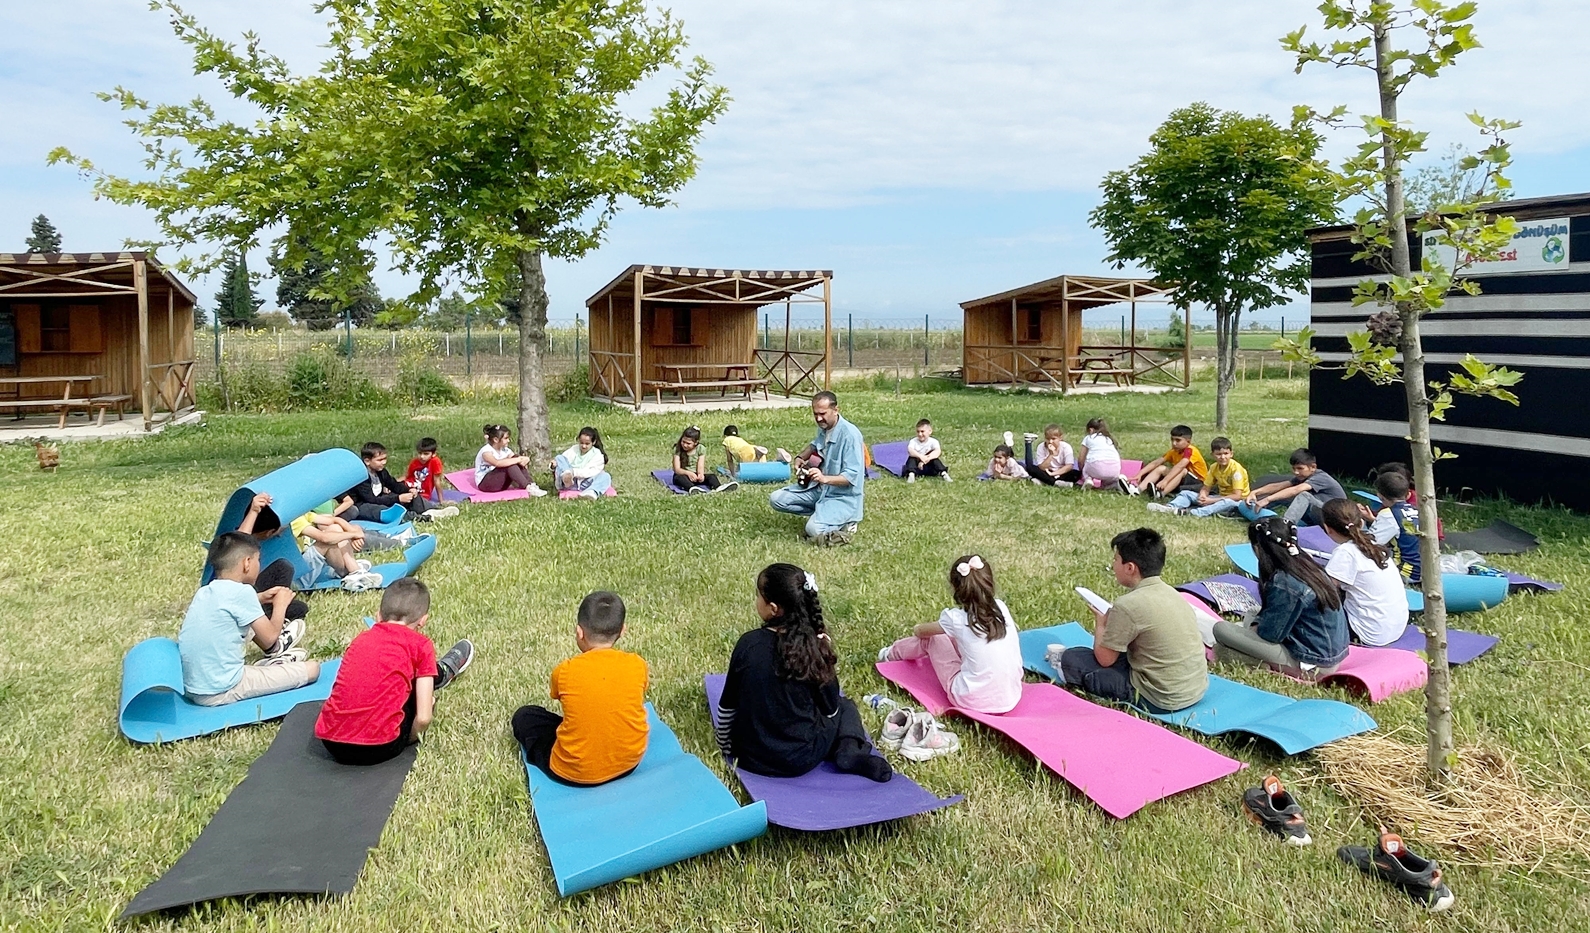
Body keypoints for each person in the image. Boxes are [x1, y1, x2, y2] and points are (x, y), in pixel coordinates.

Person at [714, 564, 898, 779]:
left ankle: (845, 750)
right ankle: (849, 749)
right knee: (845, 706)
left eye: (758, 595)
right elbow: (831, 709)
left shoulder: (748, 643)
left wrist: (725, 746)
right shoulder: (812, 650)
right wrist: (825, 657)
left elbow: (728, 705)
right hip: (802, 758)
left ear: (773, 608)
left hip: (750, 757)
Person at [314, 579, 475, 765]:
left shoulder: (360, 639)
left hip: (331, 743)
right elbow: (423, 718)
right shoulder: (421, 645)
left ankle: (434, 673)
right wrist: (408, 739)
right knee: (425, 699)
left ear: (378, 615)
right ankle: (438, 674)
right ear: (423, 620)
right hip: (380, 747)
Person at [1057, 528, 1208, 711]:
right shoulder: (1173, 594)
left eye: (1116, 559)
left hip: (1160, 698)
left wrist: (1101, 624)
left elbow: (1105, 660)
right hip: (1195, 689)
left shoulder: (1127, 605)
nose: (1113, 565)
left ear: (1130, 568)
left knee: (1073, 659)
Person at [512, 592, 649, 786]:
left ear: (579, 632)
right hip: (630, 763)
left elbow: (557, 695)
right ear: (623, 630)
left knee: (525, 716)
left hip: (573, 772)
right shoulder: (637, 664)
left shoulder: (565, 671)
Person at [178, 532, 320, 707]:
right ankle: (277, 656)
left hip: (193, 688)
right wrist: (280, 605)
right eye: (258, 560)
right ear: (246, 563)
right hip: (222, 689)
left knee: (245, 620)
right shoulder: (243, 592)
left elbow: (230, 606)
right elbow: (269, 637)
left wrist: (259, 598)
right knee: (312, 669)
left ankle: (274, 660)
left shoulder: (205, 591)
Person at [877, 554, 1022, 714]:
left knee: (934, 638)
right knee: (957, 638)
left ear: (955, 588)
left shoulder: (955, 619)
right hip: (1011, 695)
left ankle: (889, 655)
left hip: (971, 700)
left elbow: (921, 632)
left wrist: (917, 627)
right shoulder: (1001, 608)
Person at [1213, 517, 1349, 678]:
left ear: (1258, 548)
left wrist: (1255, 631)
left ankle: (1256, 663)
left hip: (1313, 665)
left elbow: (1270, 635)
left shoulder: (1285, 582)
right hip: (1328, 655)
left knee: (1221, 630)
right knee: (1252, 612)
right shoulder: (1309, 565)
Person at [769, 392, 867, 546]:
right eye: (815, 414)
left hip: (842, 497)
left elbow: (851, 477)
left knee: (813, 530)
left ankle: (847, 522)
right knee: (776, 499)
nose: (819, 418)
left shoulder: (851, 436)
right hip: (819, 490)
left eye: (823, 414)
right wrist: (800, 457)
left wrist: (824, 478)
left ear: (836, 410)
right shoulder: (825, 427)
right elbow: (815, 445)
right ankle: (823, 514)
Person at [1320, 498, 1410, 646]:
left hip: (1369, 633)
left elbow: (1323, 590)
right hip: (1396, 627)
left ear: (1327, 528)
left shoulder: (1346, 552)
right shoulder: (1373, 545)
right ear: (1361, 522)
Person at [1147, 436, 1250, 517]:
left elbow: (1237, 496)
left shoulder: (1236, 470)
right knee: (1186, 493)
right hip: (1220, 496)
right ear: (1212, 455)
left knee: (1226, 502)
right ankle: (1169, 507)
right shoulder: (1214, 467)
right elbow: (1206, 487)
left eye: (1226, 454)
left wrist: (1210, 501)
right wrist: (1203, 496)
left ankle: (1192, 513)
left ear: (1231, 454)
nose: (1222, 457)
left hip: (1238, 502)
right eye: (1219, 454)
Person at [1246, 448, 1346, 527]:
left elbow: (1296, 490)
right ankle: (1256, 509)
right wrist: (1255, 492)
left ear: (1313, 467)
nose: (1296, 472)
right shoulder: (1303, 476)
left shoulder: (1321, 477)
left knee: (1303, 495)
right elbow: (1279, 486)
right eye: (1294, 468)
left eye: (1300, 468)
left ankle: (1286, 527)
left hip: (1334, 518)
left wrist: (1267, 499)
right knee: (1284, 494)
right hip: (1319, 515)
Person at [1124, 425, 1207, 499]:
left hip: (1199, 483)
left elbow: (1180, 466)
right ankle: (1137, 490)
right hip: (1182, 480)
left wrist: (1165, 481)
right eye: (1172, 440)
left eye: (1178, 440)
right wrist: (1140, 474)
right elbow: (1156, 462)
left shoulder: (1190, 450)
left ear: (1188, 441)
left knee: (1183, 470)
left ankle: (1160, 494)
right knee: (1161, 468)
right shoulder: (1173, 451)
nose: (1174, 443)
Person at [1368, 470, 1422, 583]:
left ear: (1380, 496)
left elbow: (1369, 544)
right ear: (1408, 494)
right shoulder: (1418, 511)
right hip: (1425, 572)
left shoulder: (1388, 514)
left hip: (1405, 574)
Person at [475, 424, 548, 496]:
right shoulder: (486, 451)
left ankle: (531, 484)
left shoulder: (505, 450)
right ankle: (527, 487)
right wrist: (518, 459)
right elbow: (497, 463)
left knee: (514, 458)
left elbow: (516, 459)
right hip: (486, 484)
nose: (508, 440)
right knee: (510, 464)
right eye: (506, 438)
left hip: (500, 483)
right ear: (496, 440)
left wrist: (524, 459)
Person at [672, 425, 736, 494]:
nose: (684, 445)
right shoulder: (678, 449)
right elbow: (677, 469)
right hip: (683, 474)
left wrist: (700, 474)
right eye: (683, 442)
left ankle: (718, 487)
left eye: (688, 443)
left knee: (711, 476)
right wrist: (689, 473)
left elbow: (700, 465)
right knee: (680, 478)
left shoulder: (701, 449)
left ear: (696, 443)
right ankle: (692, 488)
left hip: (695, 476)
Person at [554, 426, 612, 499]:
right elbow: (563, 460)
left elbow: (590, 472)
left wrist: (573, 472)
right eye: (581, 443)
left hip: (585, 482)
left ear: (593, 442)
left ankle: (591, 491)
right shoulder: (574, 449)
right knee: (559, 457)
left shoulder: (597, 455)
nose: (584, 446)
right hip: (570, 482)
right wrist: (553, 465)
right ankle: (567, 478)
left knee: (606, 476)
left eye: (587, 444)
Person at [722, 425, 791, 478]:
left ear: (725, 435)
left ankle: (759, 454)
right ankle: (778, 459)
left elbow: (729, 459)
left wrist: (733, 474)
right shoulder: (739, 439)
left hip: (745, 451)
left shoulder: (727, 440)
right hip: (752, 448)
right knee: (764, 469)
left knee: (749, 471)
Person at [404, 437, 456, 509]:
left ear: (433, 454)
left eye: (426, 454)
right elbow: (406, 476)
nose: (422, 456)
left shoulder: (435, 462)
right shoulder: (414, 462)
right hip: (406, 487)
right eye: (420, 453)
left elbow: (437, 481)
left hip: (420, 494)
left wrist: (441, 501)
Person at [1076, 417, 1124, 489]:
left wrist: (1081, 470)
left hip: (1096, 467)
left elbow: (1081, 459)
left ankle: (1088, 479)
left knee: (1086, 467)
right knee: (1108, 482)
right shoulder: (1109, 438)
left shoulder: (1089, 438)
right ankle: (1115, 483)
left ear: (1091, 430)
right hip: (1114, 469)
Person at [903, 418, 951, 483]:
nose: (920, 434)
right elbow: (910, 451)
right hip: (917, 467)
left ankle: (944, 473)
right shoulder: (913, 441)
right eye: (918, 431)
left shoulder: (933, 441)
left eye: (922, 431)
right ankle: (911, 475)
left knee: (935, 460)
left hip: (929, 467)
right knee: (912, 458)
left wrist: (925, 460)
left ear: (930, 431)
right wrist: (921, 457)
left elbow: (937, 452)